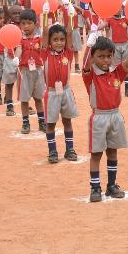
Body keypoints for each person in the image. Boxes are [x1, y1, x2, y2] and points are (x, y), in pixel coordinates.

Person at [82, 34, 128, 202]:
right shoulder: (90, 75)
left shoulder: (116, 73)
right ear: (93, 57)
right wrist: (88, 47)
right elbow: (85, 65)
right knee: (96, 154)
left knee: (113, 151)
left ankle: (111, 185)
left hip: (115, 116)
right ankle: (95, 187)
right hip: (99, 117)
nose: (105, 60)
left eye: (108, 56)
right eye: (100, 56)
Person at [41, 23, 79, 164]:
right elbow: (45, 35)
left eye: (62, 39)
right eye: (55, 40)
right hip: (52, 93)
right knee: (50, 124)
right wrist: (45, 23)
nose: (59, 43)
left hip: (66, 91)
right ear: (50, 41)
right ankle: (52, 151)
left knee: (67, 121)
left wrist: (69, 16)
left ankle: (70, 149)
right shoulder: (45, 54)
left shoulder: (68, 53)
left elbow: (69, 34)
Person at [15, 8, 47, 134]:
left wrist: (45, 16)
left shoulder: (39, 38)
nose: (26, 26)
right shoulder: (20, 39)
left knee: (38, 98)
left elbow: (46, 42)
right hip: (24, 72)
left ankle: (41, 122)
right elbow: (19, 49)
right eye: (23, 23)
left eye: (29, 23)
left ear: (35, 24)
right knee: (24, 99)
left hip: (38, 71)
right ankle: (25, 123)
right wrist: (16, 57)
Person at [106, 10, 128, 97]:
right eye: (117, 8)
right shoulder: (110, 19)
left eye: (121, 8)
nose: (119, 10)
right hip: (115, 46)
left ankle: (127, 89)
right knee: (115, 67)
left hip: (125, 45)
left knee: (126, 66)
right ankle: (115, 87)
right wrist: (96, 28)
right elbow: (104, 25)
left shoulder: (125, 19)